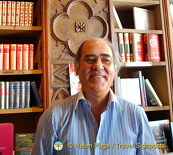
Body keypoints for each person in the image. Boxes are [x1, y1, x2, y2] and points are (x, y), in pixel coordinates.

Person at [31, 38, 160, 155]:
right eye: (90, 59)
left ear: (115, 71)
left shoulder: (136, 115)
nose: (98, 66)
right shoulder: (53, 117)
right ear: (76, 68)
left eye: (106, 60)